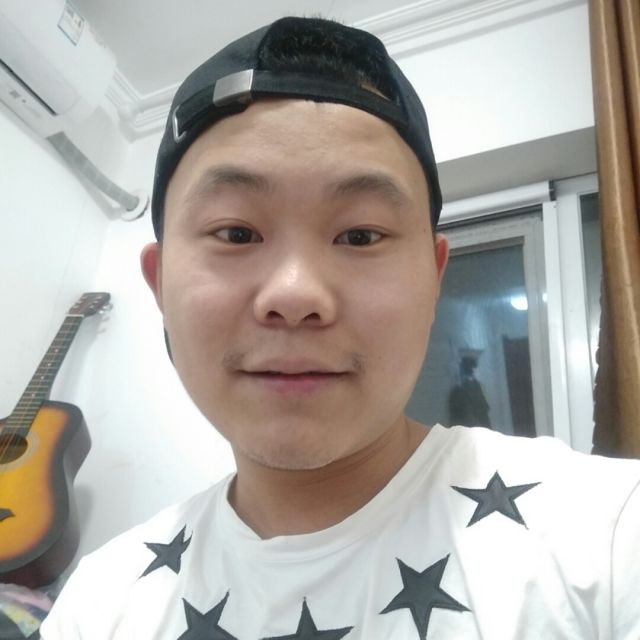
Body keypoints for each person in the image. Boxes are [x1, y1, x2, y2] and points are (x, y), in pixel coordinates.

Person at [40, 16, 640, 640]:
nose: (295, 295)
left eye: (360, 235)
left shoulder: (607, 535)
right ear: (159, 284)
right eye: (236, 232)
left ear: (434, 278)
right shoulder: (98, 605)